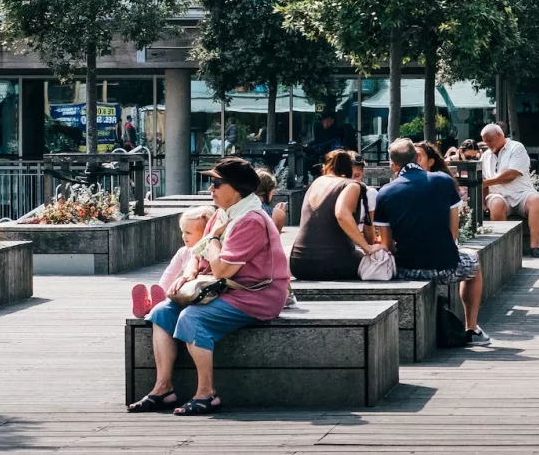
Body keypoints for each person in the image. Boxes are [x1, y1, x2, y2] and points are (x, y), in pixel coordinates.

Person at [130, 156, 288, 415]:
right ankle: (163, 389)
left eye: (217, 184)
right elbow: (198, 253)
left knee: (193, 318)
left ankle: (206, 394)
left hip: (256, 294)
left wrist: (214, 239)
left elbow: (223, 268)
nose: (210, 189)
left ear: (236, 188)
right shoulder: (224, 213)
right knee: (161, 312)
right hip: (222, 288)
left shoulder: (251, 220)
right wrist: (189, 273)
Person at [381, 138, 491, 346]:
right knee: (473, 261)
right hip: (445, 265)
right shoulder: (443, 180)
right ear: (418, 157)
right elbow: (453, 232)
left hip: (406, 268)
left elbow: (388, 245)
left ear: (393, 165)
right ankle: (472, 328)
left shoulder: (385, 192)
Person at [289, 149, 377, 280]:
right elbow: (342, 214)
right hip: (334, 262)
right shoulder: (351, 185)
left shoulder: (316, 183)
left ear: (325, 168)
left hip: (298, 263)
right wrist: (367, 248)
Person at [130, 206, 212, 318]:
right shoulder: (183, 252)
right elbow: (170, 274)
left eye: (188, 233)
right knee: (168, 293)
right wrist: (161, 290)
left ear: (205, 234)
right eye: (182, 232)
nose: (184, 236)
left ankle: (153, 304)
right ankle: (150, 303)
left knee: (174, 297)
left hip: (193, 294)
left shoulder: (207, 253)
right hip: (181, 290)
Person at [480, 123, 539, 259]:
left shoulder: (516, 147)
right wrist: (482, 203)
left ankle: (535, 246)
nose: (487, 145)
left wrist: (486, 182)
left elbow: (511, 174)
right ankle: (501, 246)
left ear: (499, 136)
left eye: (489, 141)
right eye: (485, 142)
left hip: (522, 193)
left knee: (536, 200)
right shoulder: (486, 155)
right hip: (497, 194)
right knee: (497, 203)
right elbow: (482, 181)